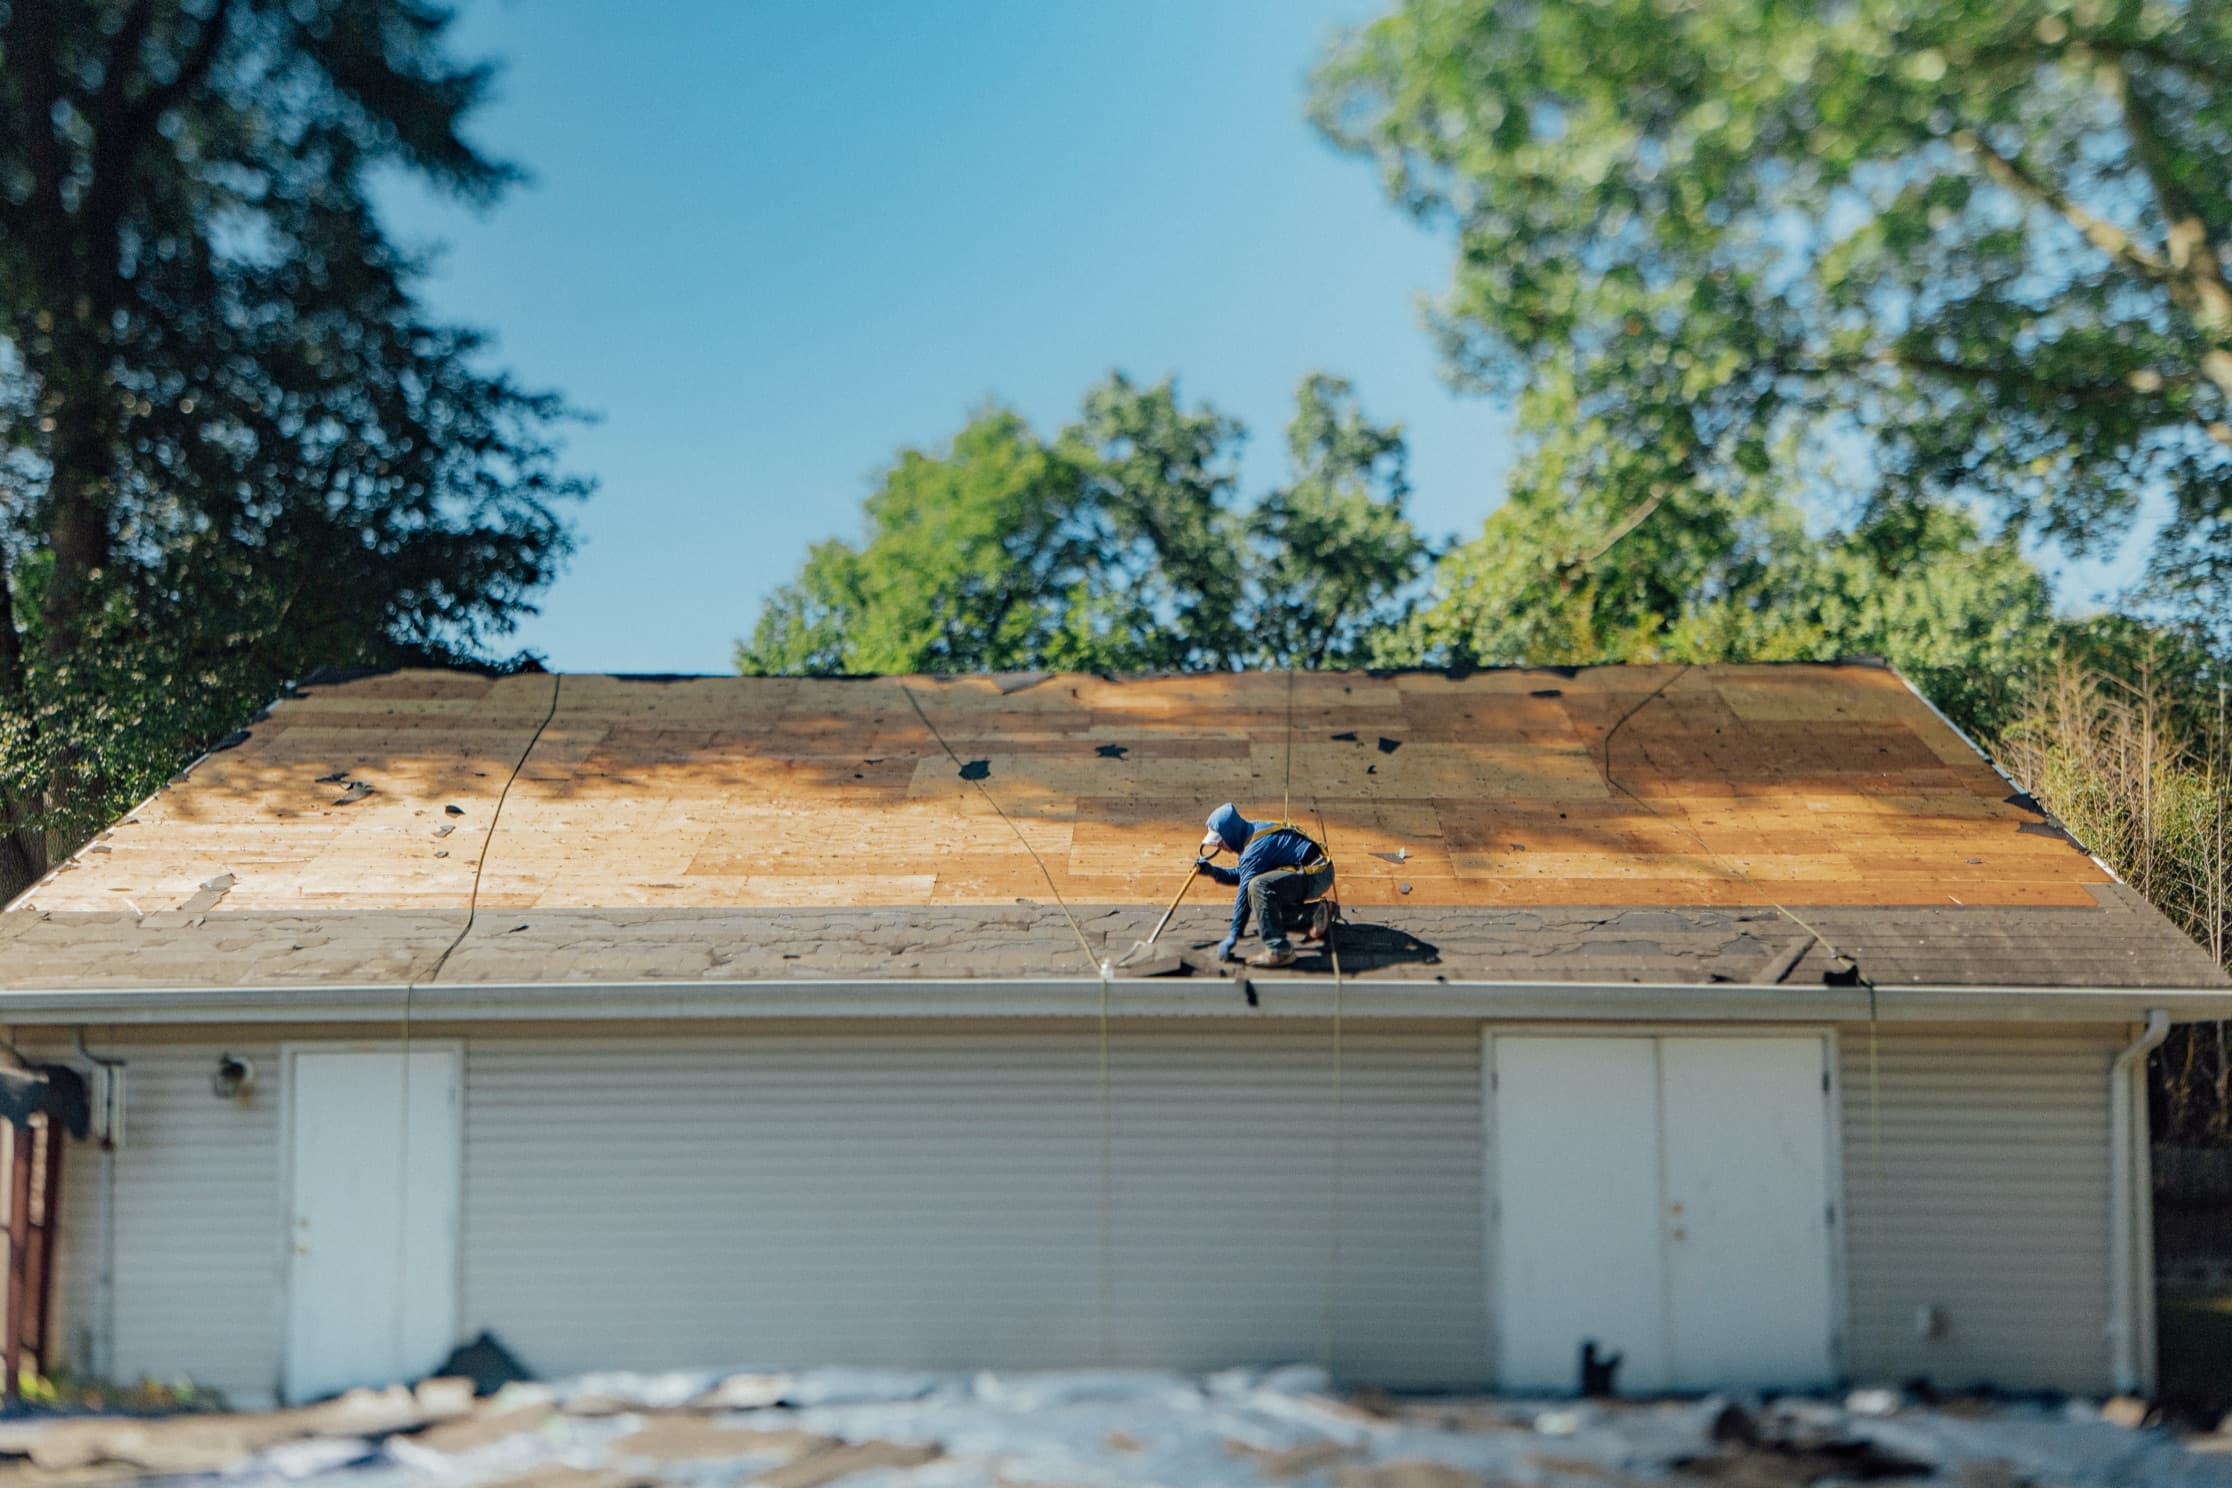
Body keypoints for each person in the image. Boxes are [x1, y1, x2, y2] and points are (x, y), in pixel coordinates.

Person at [1196, 802, 1335, 968]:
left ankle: (1279, 951)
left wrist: (1233, 934)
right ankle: (1314, 913)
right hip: (1316, 867)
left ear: (1230, 834)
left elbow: (1244, 891)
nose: (1219, 846)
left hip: (1315, 875)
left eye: (1220, 841)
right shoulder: (1252, 829)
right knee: (1266, 909)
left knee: (1258, 888)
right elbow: (1243, 874)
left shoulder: (1253, 850)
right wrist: (1213, 871)